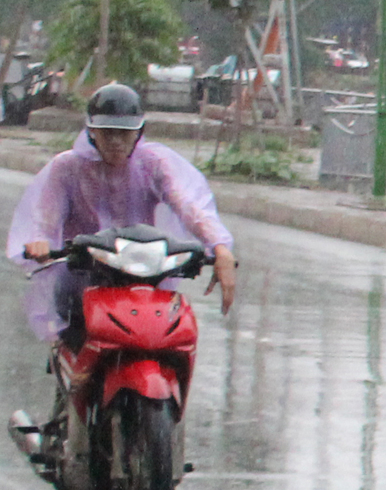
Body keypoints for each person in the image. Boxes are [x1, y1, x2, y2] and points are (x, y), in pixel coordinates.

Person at [7, 83, 237, 344]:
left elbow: (187, 205)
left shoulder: (153, 164)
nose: (116, 141)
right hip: (83, 275)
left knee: (170, 337)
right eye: (108, 133)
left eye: (124, 133)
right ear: (91, 131)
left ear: (139, 133)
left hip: (141, 274)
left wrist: (219, 246)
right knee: (76, 337)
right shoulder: (67, 167)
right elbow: (46, 216)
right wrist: (41, 241)